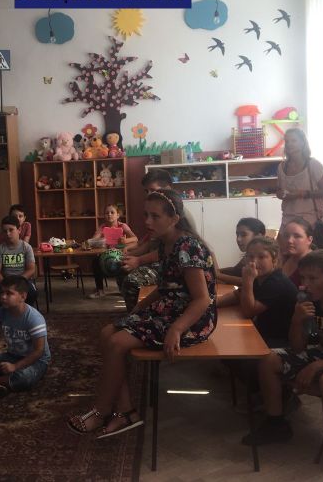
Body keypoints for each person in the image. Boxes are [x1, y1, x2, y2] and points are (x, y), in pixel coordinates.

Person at [68, 189, 217, 438]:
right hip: (170, 308)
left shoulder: (187, 246)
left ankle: (102, 410)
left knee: (117, 342)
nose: (147, 221)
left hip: (192, 319)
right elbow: (168, 285)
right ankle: (125, 411)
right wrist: (141, 306)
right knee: (106, 333)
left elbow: (202, 299)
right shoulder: (167, 243)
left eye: (155, 216)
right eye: (146, 215)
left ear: (174, 219)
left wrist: (176, 330)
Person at [243, 250, 323, 482]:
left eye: (313, 278)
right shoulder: (308, 302)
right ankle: (276, 423)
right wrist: (297, 320)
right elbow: (297, 346)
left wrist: (316, 367)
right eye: (303, 278)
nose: (305, 284)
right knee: (268, 359)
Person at [0, 276, 50, 401]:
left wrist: (15, 367)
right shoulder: (2, 312)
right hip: (12, 355)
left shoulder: (34, 318)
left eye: (9, 293)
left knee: (24, 379)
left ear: (23, 296)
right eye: (2, 293)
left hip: (37, 361)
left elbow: (39, 351)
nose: (3, 297)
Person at [217, 236, 296, 348]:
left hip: (280, 341)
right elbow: (237, 295)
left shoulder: (276, 282)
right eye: (250, 256)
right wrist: (213, 303)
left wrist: (247, 280)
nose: (254, 261)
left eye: (261, 257)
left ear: (274, 260)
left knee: (228, 344)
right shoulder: (260, 277)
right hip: (263, 331)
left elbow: (248, 311)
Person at [118, 169, 173, 311]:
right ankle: (135, 311)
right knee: (121, 266)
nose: (149, 195)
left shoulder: (175, 214)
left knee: (132, 281)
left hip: (170, 265)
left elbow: (169, 251)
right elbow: (150, 243)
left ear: (168, 188)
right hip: (155, 261)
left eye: (153, 190)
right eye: (146, 191)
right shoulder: (156, 209)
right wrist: (131, 255)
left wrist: (138, 260)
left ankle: (137, 316)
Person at [276, 128, 323, 230]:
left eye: (294, 141)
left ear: (302, 143)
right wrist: (281, 194)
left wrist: (302, 194)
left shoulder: (314, 165)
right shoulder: (282, 167)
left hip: (310, 220)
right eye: (287, 141)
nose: (289, 144)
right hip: (287, 219)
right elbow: (279, 191)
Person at [88, 204, 137, 299]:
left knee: (125, 263)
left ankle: (124, 289)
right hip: (106, 255)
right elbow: (93, 240)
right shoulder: (103, 227)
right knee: (95, 262)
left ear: (117, 215)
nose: (109, 215)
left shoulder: (123, 226)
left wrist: (125, 241)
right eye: (107, 213)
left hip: (120, 254)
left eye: (112, 212)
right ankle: (100, 291)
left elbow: (135, 238)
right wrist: (100, 238)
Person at [0, 215, 37, 306]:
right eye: (5, 231)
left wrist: (17, 282)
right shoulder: (0, 249)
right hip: (4, 281)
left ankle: (24, 312)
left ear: (19, 230)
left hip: (22, 280)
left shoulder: (27, 247)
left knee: (31, 293)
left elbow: (31, 269)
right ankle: (1, 313)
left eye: (11, 230)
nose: (8, 233)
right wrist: (6, 284)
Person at [217, 217, 266, 286]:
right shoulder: (247, 255)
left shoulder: (263, 257)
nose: (238, 239)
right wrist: (215, 271)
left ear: (258, 236)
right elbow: (235, 270)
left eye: (244, 235)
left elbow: (249, 281)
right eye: (237, 235)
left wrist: (218, 275)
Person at [279, 217, 314, 288]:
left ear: (309, 240)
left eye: (297, 236)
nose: (289, 240)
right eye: (286, 235)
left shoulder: (316, 264)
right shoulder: (283, 258)